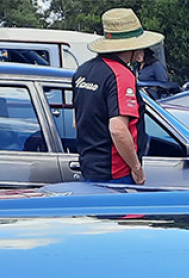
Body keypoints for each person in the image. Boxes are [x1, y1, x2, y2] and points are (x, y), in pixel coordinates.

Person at [72, 7, 160, 185]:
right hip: (117, 173)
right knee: (123, 214)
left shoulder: (83, 71)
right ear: (133, 45)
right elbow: (118, 129)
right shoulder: (121, 74)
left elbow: (77, 122)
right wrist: (136, 169)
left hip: (89, 167)